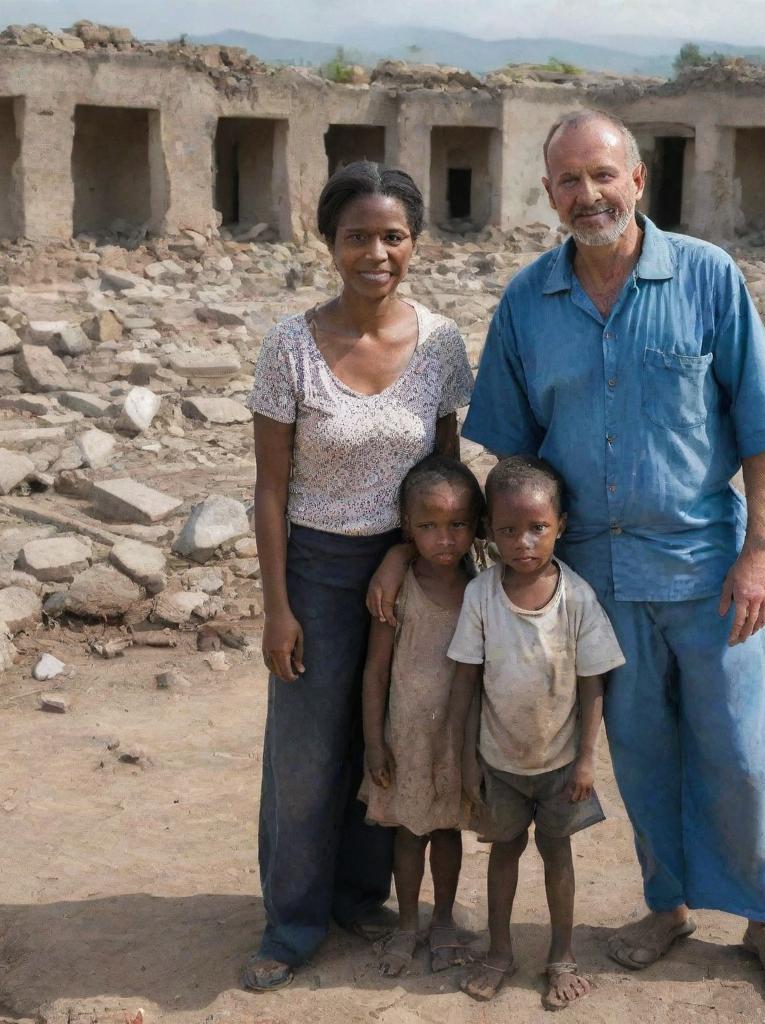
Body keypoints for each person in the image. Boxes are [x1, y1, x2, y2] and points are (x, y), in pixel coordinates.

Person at [368, 110, 765, 1000]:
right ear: (548, 195)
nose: (589, 195)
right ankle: (669, 904)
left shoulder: (707, 278)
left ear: (638, 181)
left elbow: (764, 427)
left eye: (603, 176)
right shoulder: (531, 303)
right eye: (569, 181)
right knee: (642, 750)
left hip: (705, 565)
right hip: (595, 584)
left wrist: (763, 549)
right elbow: (507, 459)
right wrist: (436, 561)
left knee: (741, 748)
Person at [244, 161, 474, 991]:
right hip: (313, 565)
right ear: (329, 243)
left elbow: (444, 476)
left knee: (398, 734)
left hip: (416, 568)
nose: (376, 252)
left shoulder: (443, 342)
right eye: (358, 236)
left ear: (415, 242)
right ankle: (291, 923)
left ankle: (360, 895)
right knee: (307, 753)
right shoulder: (290, 346)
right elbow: (270, 489)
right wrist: (277, 607)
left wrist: (408, 554)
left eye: (393, 236)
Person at [445, 455, 626, 1011]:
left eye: (537, 528)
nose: (522, 542)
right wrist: (466, 758)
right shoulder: (481, 596)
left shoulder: (576, 597)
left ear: (561, 525)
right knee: (503, 853)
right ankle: (499, 951)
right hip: (498, 760)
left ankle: (562, 956)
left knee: (557, 854)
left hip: (561, 763)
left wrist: (587, 760)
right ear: (488, 532)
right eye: (506, 530)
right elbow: (466, 683)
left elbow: (594, 682)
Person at [359, 455, 484, 977]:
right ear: (407, 527)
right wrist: (373, 742)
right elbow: (375, 673)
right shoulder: (398, 590)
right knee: (408, 834)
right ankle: (407, 924)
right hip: (405, 737)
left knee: (448, 833)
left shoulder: (483, 588)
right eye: (429, 526)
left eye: (457, 525)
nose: (445, 539)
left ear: (475, 528)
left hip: (456, 740)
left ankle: (445, 922)